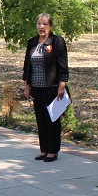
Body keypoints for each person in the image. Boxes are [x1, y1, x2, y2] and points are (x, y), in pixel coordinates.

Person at [23, 13, 69, 162]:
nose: (41, 27)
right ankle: (43, 149)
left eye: (45, 24)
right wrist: (27, 86)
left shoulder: (57, 42)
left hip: (52, 87)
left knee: (52, 119)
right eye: (39, 24)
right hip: (36, 87)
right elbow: (27, 66)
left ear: (50, 26)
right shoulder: (32, 42)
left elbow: (63, 65)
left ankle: (53, 150)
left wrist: (62, 85)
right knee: (41, 119)